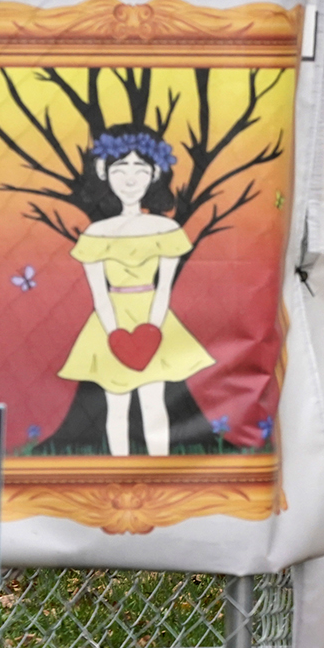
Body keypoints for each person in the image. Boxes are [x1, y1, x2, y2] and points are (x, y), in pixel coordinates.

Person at [58, 129, 214, 457]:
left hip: (153, 319)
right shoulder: (96, 234)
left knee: (154, 401)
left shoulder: (167, 229)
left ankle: (158, 471)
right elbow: (98, 293)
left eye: (140, 170)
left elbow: (164, 289)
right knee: (115, 407)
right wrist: (114, 333)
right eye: (120, 170)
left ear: (155, 174)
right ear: (104, 172)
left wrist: (152, 329)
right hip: (109, 321)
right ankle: (120, 470)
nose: (130, 179)